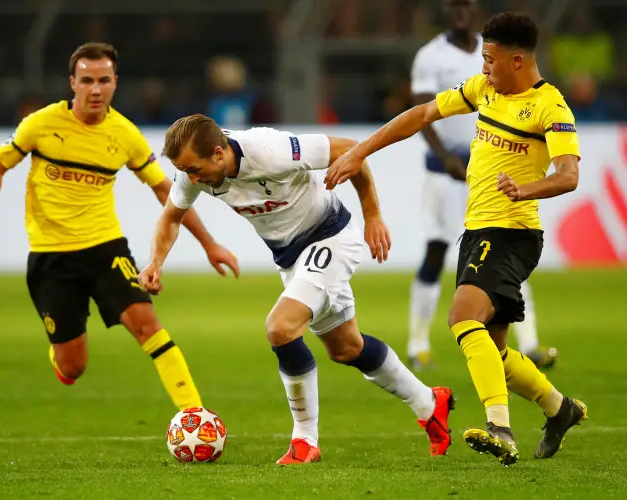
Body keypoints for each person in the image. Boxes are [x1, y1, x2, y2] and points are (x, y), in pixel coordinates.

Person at [323, 12, 588, 466]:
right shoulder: (484, 89)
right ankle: (558, 409)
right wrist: (359, 150)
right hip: (478, 229)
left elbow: (568, 176)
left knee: (463, 317)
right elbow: (422, 113)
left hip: (511, 233)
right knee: (497, 352)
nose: (483, 68)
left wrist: (526, 188)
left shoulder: (551, 108)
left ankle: (500, 428)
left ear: (518, 60)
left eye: (490, 59)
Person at [137, 115, 455, 464]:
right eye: (185, 170)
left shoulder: (269, 150)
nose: (190, 178)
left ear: (218, 153)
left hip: (330, 236)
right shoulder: (192, 171)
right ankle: (429, 402)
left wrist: (373, 215)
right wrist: (155, 262)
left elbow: (350, 151)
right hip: (291, 259)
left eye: (194, 169)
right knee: (347, 348)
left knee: (280, 327)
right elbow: (171, 217)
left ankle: (304, 441)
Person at [0, 42, 239, 412]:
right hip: (51, 257)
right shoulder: (41, 124)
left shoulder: (124, 134)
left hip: (104, 247)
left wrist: (210, 244)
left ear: (115, 83)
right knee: (73, 366)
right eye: (87, 80)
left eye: (104, 80)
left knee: (148, 325)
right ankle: (62, 354)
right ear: (73, 83)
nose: (95, 89)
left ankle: (195, 416)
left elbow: (168, 193)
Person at [408, 0, 555, 371]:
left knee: (506, 254)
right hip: (444, 171)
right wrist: (446, 158)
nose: (460, 13)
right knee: (437, 252)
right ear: (444, 12)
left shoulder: (494, 52)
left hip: (489, 173)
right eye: (453, 7)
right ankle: (418, 343)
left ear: (474, 11)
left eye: (466, 6)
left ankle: (532, 343)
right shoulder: (430, 56)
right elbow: (422, 112)